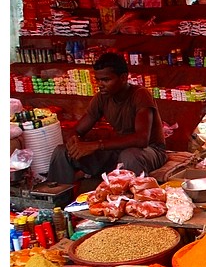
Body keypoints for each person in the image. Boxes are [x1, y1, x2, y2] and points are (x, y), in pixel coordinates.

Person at [47, 52, 167, 185]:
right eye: (98, 80)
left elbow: (141, 139)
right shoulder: (101, 97)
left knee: (129, 156)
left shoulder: (140, 95)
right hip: (118, 149)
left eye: (106, 80)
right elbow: (79, 129)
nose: (100, 84)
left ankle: (133, 203)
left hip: (150, 150)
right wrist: (74, 140)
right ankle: (56, 200)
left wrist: (96, 145)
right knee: (62, 151)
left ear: (123, 78)